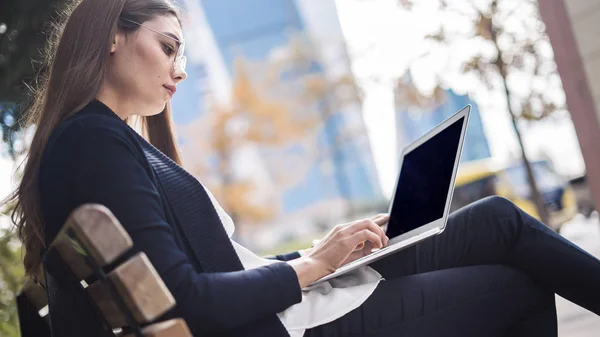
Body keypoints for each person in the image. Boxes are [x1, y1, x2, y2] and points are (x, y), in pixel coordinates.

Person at [3, 1, 599, 336]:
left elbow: (210, 272)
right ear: (112, 35)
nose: (179, 69)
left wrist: (326, 251)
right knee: (517, 283)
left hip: (287, 303)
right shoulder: (93, 145)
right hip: (285, 325)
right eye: (168, 46)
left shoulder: (102, 144)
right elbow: (188, 300)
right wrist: (314, 266)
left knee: (494, 219)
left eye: (180, 51)